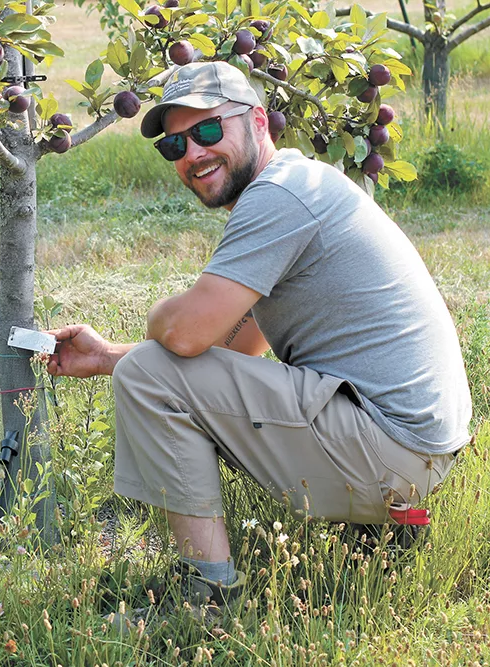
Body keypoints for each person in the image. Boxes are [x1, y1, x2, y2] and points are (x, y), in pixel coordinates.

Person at [45, 61, 472, 615]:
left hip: (391, 448)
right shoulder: (300, 185)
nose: (193, 154)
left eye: (206, 130)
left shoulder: (281, 195)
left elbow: (184, 333)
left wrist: (159, 327)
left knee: (150, 374)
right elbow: (235, 350)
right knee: (147, 367)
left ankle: (208, 594)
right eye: (174, 146)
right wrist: (107, 357)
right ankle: (378, 528)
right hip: (410, 447)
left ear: (259, 121)